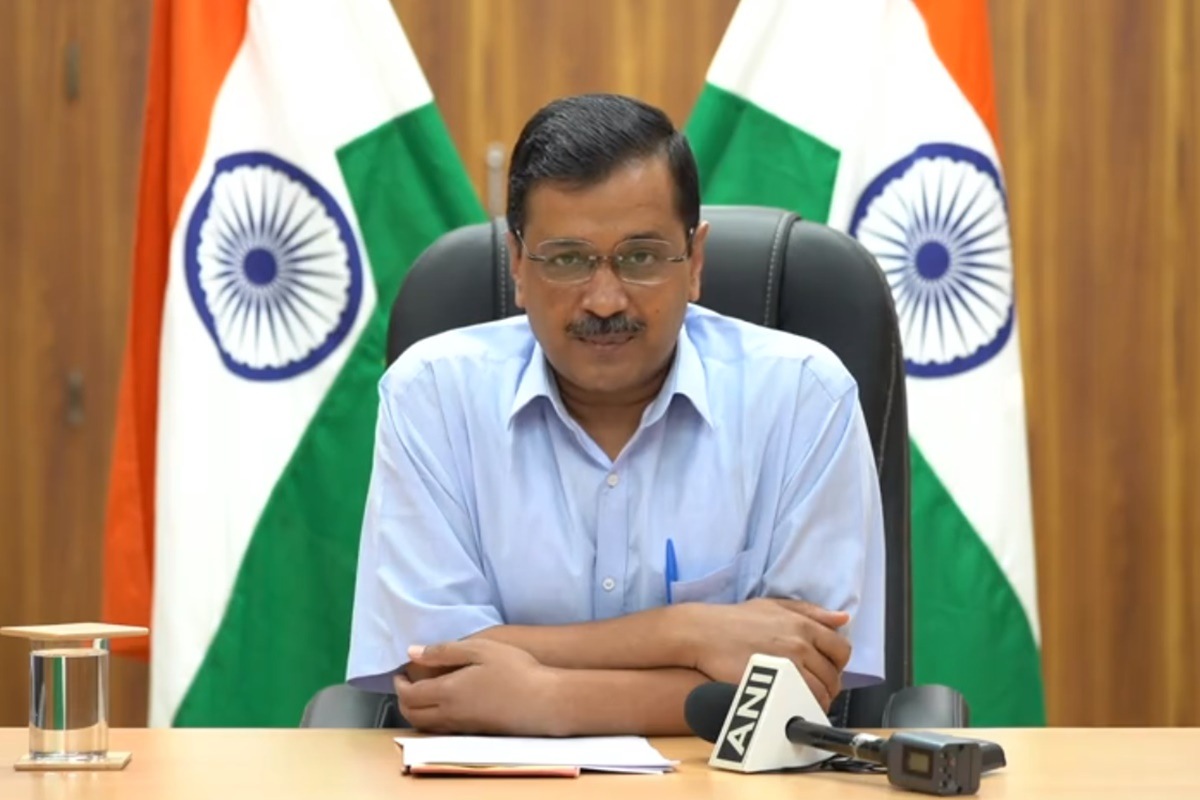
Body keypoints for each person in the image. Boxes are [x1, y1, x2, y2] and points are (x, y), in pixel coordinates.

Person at [345, 93, 885, 736]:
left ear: (695, 262)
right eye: (567, 259)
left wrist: (547, 699)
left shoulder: (803, 396)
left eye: (641, 257)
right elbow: (435, 670)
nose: (604, 301)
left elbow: (802, 683)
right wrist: (689, 633)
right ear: (518, 265)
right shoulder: (433, 395)